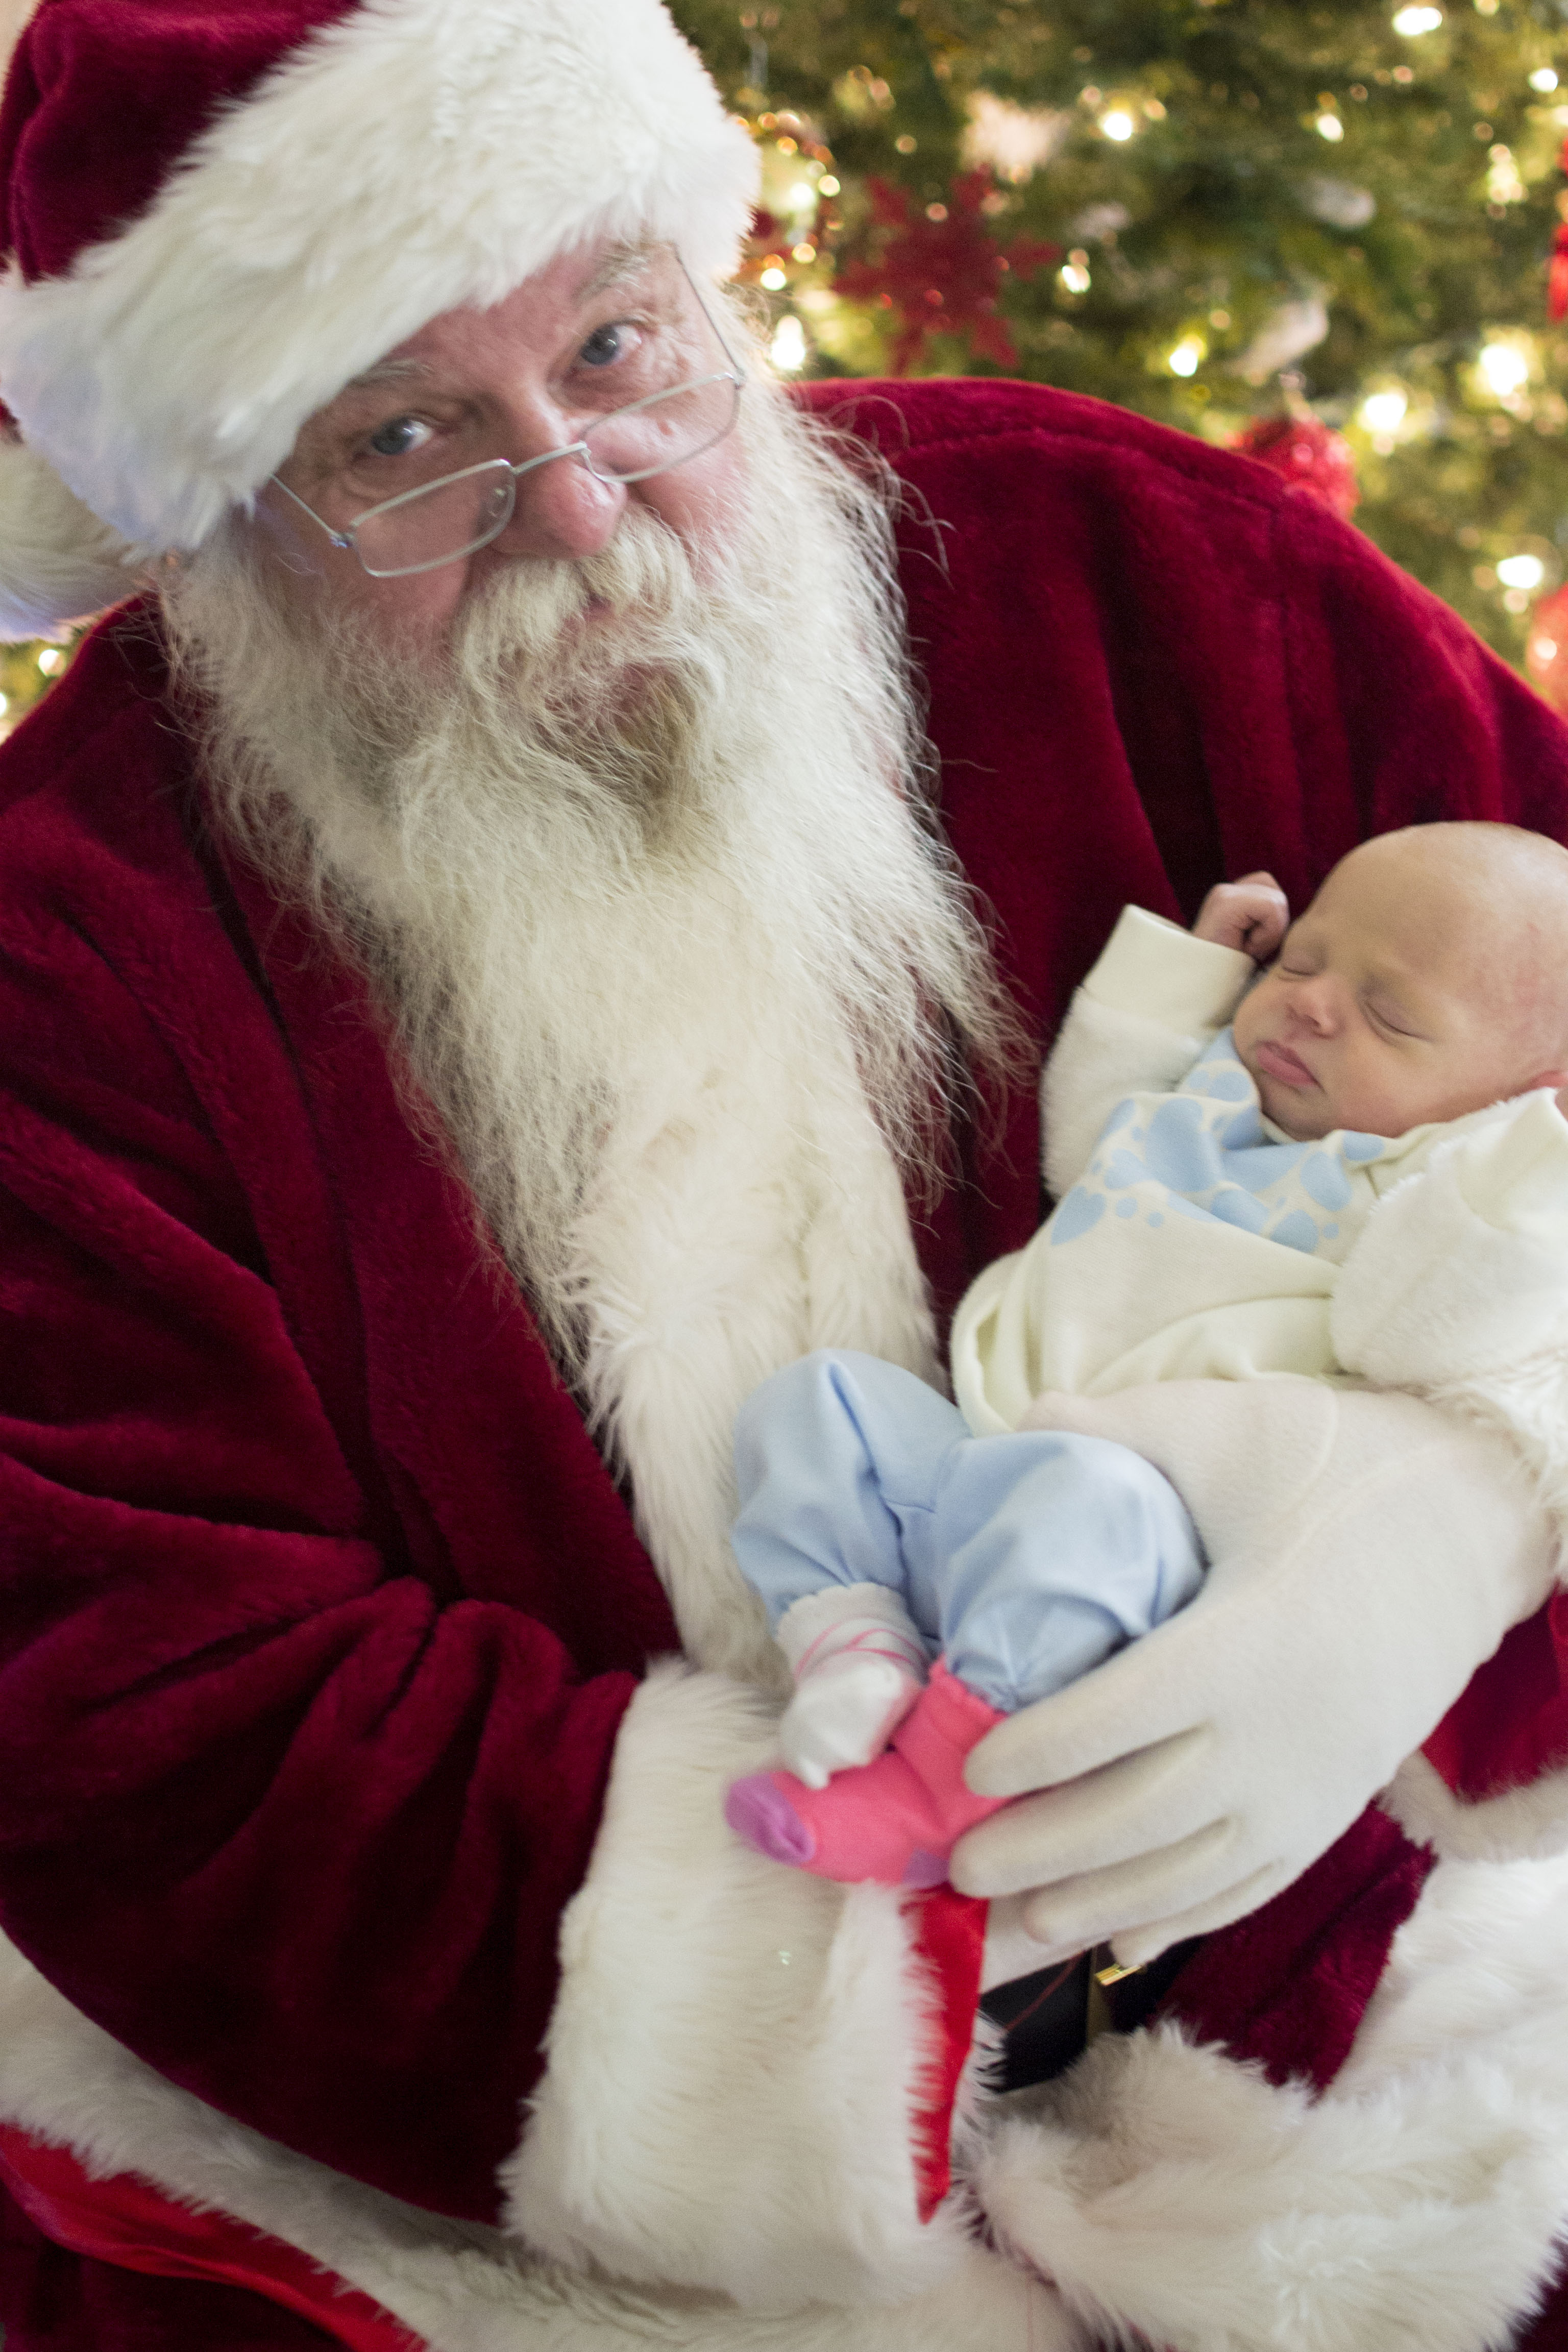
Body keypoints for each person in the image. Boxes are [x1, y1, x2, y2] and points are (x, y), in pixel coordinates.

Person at [2, 4, 1568, 2349]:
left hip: (1333, 2004)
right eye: (407, 439)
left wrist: (1468, 1513)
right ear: (211, 526)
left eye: (620, 346)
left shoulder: (1139, 564)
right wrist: (917, 1918)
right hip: (514, 2188)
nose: (583, 497)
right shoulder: (62, 957)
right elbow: (158, 1713)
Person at [725, 824, 1568, 1891]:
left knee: (1091, 1510)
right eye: (1300, 959)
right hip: (975, 1448)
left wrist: (1533, 1166)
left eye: (1391, 1015)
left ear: (1520, 1101)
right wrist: (1194, 969)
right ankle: (852, 1646)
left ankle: (937, 1792)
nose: (1310, 1002)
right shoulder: (1221, 1091)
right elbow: (1087, 1142)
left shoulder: (1440, 1191)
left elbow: (1410, 1334)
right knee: (819, 1399)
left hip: (1128, 1540)